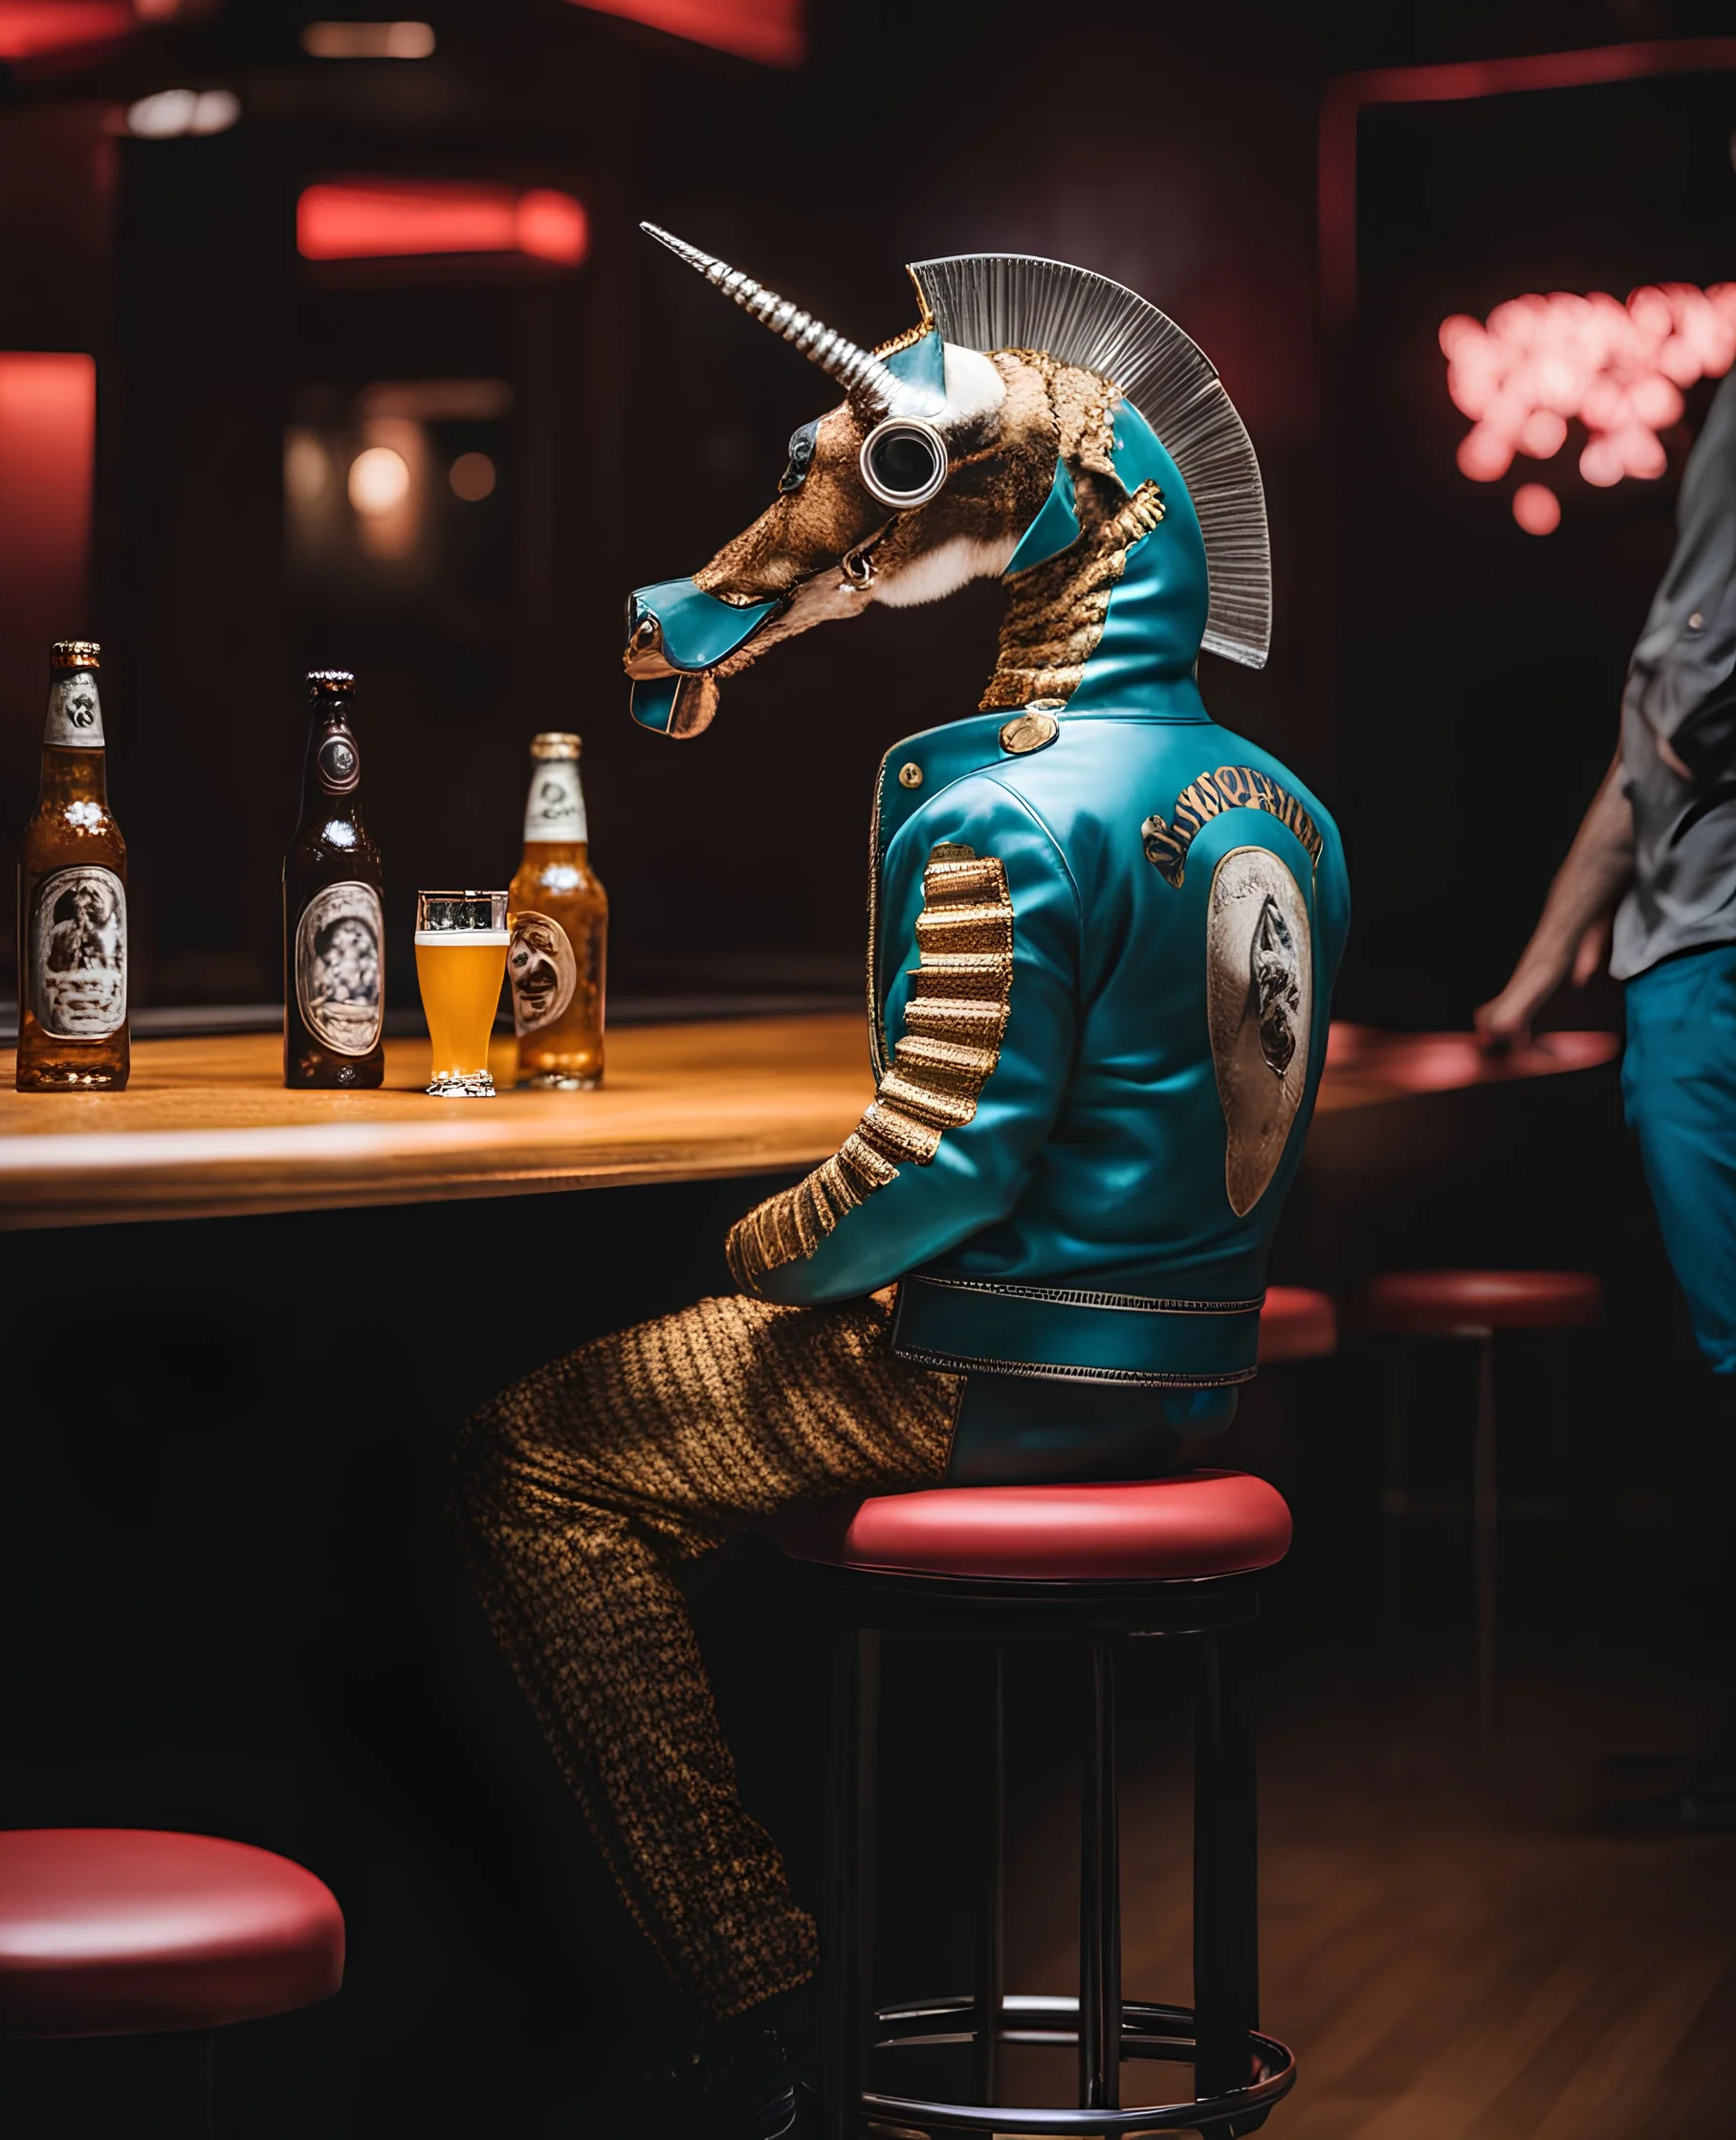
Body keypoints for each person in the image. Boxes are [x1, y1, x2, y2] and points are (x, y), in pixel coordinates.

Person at [453, 237, 1350, 2133]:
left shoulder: (1004, 800)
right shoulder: (1288, 810)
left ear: (985, 500)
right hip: (1190, 1378)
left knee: (536, 1459)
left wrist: (759, 1246)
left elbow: (942, 1165)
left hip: (983, 1372)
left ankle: (756, 2013)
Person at [1478, 363, 1736, 1824]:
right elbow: (1643, 774)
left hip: (1713, 972)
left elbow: (1673, 728)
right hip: (1689, 959)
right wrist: (1527, 983)